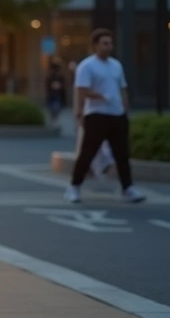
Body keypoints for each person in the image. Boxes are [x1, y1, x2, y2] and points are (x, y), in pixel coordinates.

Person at [66, 28, 144, 204]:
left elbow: (122, 89)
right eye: (105, 43)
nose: (109, 47)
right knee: (88, 153)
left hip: (117, 115)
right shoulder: (87, 66)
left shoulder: (116, 65)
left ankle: (128, 188)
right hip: (96, 115)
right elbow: (81, 90)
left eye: (110, 43)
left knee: (122, 154)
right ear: (95, 45)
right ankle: (74, 187)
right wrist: (79, 112)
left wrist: (125, 110)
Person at [45, 60, 67, 125]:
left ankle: (54, 120)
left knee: (56, 108)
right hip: (52, 94)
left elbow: (63, 85)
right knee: (53, 108)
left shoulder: (60, 76)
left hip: (58, 95)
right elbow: (47, 85)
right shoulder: (50, 76)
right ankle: (53, 120)